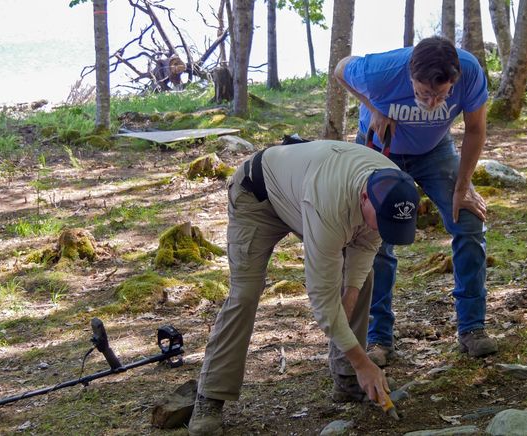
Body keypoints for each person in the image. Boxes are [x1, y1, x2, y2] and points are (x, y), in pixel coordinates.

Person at [188, 140, 420, 435]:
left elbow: (361, 260)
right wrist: (364, 361)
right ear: (364, 198)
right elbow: (322, 299)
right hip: (257, 196)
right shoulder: (330, 202)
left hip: (302, 194)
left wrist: (348, 309)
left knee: (363, 280)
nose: (382, 230)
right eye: (382, 223)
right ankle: (210, 396)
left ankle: (349, 378)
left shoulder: (391, 189)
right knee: (244, 294)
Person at [334, 35, 498, 366]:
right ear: (411, 76)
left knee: (468, 221)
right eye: (424, 93)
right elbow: (339, 70)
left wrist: (463, 186)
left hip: (434, 151)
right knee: (374, 240)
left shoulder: (469, 70)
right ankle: (378, 337)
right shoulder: (380, 72)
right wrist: (373, 107)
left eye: (442, 94)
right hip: (381, 149)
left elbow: (476, 130)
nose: (433, 101)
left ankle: (472, 328)